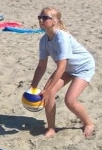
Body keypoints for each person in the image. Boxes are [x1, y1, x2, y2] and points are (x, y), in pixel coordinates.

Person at [30, 7, 96, 138]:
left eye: (45, 18)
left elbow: (61, 67)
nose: (41, 20)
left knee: (69, 100)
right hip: (68, 68)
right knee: (48, 94)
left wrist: (47, 89)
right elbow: (41, 66)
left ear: (54, 21)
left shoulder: (62, 37)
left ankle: (88, 123)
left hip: (83, 66)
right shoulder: (44, 40)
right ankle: (51, 128)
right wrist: (33, 87)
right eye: (39, 17)